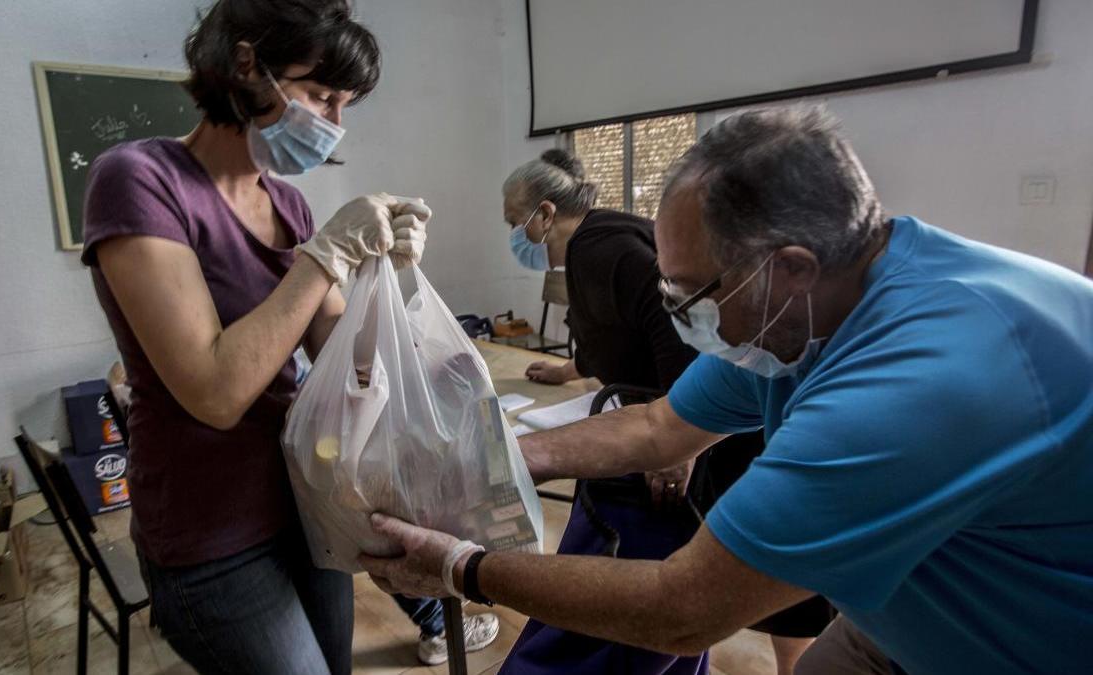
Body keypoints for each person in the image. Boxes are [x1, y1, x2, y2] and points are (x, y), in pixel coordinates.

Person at [358, 107, 1093, 674]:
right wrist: (501, 457)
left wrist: (461, 566)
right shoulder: (821, 303)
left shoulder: (914, 390)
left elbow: (684, 608)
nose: (680, 316)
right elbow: (656, 427)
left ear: (791, 266)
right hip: (915, 602)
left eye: (691, 292)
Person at [79, 2, 432, 672]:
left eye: (344, 105)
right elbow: (216, 392)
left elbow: (345, 358)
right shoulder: (139, 180)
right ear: (248, 67)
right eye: (320, 97)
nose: (333, 125)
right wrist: (326, 254)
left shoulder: (288, 205)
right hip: (210, 533)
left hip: (304, 500)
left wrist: (385, 273)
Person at [501, 150, 831, 673]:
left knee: (785, 603)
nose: (515, 235)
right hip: (688, 423)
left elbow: (681, 611)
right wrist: (520, 442)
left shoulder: (602, 250)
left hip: (708, 429)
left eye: (514, 222)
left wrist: (468, 568)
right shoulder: (606, 240)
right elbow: (640, 389)